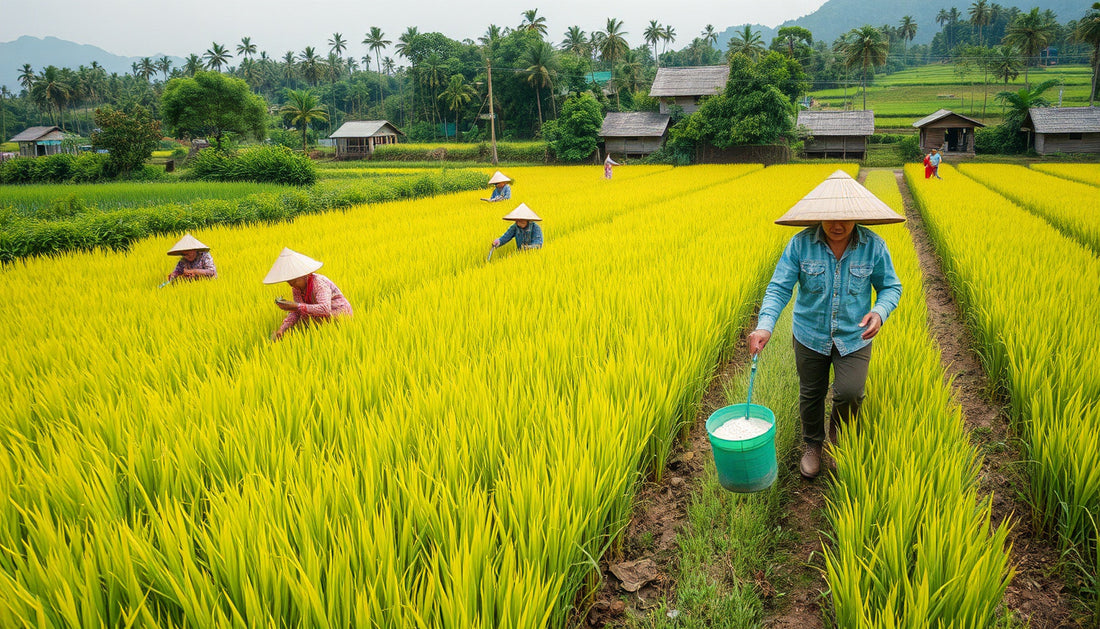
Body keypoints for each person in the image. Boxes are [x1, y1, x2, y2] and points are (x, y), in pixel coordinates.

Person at [746, 170, 903, 479]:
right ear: (818, 215)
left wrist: (880, 312)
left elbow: (891, 287)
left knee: (850, 392)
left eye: (844, 217)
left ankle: (838, 439)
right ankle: (812, 444)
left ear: (857, 216)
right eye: (830, 218)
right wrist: (764, 326)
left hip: (854, 335)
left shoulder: (873, 245)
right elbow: (779, 287)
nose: (837, 225)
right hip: (809, 334)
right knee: (812, 392)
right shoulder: (800, 244)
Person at [263, 248, 353, 341]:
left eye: (294, 281)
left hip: (339, 316)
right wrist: (282, 329)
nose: (292, 285)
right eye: (289, 283)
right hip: (321, 320)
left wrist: (296, 306)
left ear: (305, 275)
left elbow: (325, 308)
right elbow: (297, 312)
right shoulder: (296, 289)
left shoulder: (319, 284)